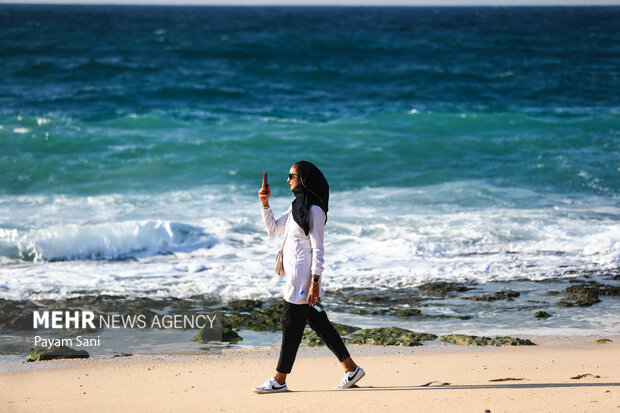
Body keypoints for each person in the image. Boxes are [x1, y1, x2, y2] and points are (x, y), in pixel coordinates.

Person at [252, 160, 365, 394]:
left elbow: (318, 248)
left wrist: (315, 283)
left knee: (290, 326)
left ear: (303, 178)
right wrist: (265, 204)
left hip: (303, 280)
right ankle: (351, 369)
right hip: (295, 277)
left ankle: (279, 380)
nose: (288, 180)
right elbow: (273, 230)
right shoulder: (297, 207)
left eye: (291, 175)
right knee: (319, 323)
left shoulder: (314, 210)